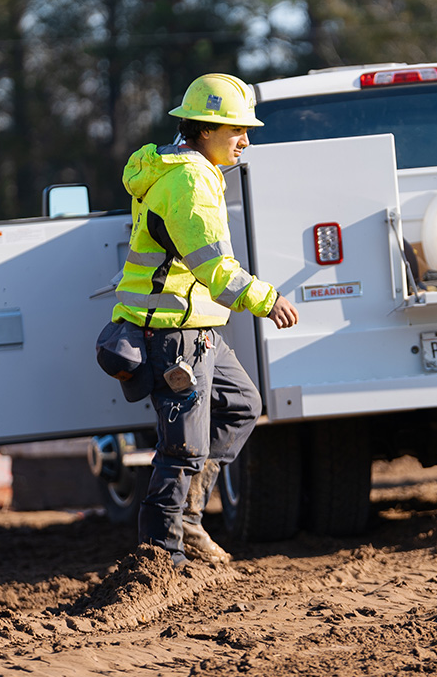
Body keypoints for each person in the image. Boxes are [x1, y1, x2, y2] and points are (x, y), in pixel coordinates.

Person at [110, 73, 299, 568]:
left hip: (195, 332)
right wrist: (267, 299)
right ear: (204, 129)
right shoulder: (190, 181)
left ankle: (188, 519)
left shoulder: (191, 172)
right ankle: (162, 555)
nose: (245, 140)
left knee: (240, 406)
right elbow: (214, 268)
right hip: (172, 337)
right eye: (235, 129)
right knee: (183, 448)